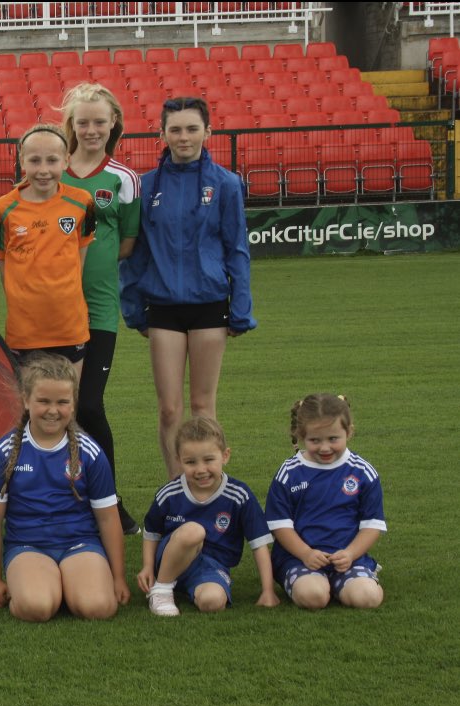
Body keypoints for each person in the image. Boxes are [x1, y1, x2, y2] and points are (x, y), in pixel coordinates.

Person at [120, 96, 255, 478]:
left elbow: (237, 249)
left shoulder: (226, 184)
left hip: (209, 304)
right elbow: (134, 254)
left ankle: (210, 487)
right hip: (163, 308)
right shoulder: (145, 187)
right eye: (175, 129)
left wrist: (240, 309)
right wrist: (133, 309)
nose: (184, 137)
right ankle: (175, 487)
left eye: (192, 128)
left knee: (203, 406)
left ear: (208, 132)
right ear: (161, 134)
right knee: (169, 409)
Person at [0, 352, 130, 622]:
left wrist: (118, 578)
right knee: (36, 608)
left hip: (79, 544)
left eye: (62, 402)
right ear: (26, 400)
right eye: (43, 401)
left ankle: (70, 584)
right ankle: (41, 585)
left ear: (73, 405)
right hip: (28, 546)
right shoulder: (4, 452)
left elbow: (108, 519)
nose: (53, 410)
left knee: (99, 608)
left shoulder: (90, 453)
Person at [60, 82, 142, 534]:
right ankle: (63, 500)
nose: (91, 129)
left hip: (99, 309)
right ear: (71, 125)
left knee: (89, 406)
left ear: (114, 124)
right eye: (82, 122)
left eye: (99, 121)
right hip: (52, 309)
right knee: (56, 407)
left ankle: (109, 503)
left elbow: (127, 243)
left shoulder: (124, 179)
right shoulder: (54, 168)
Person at [138, 417, 279, 617]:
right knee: (194, 531)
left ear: (225, 456)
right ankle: (161, 590)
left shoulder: (239, 495)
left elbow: (259, 544)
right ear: (179, 460)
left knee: (213, 602)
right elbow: (151, 532)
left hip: (211, 566)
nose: (201, 469)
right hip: (171, 558)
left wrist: (268, 591)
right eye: (190, 462)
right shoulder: (169, 493)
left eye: (209, 460)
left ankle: (184, 587)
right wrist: (147, 567)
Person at [0, 124, 95, 369]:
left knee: (68, 405)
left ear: (66, 161)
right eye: (35, 161)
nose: (43, 170)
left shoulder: (82, 203)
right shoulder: (2, 209)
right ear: (22, 160)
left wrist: (67, 301)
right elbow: (4, 269)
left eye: (52, 160)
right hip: (24, 331)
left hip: (70, 326)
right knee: (29, 406)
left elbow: (79, 261)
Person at [266, 394, 385, 610]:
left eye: (333, 439)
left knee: (367, 598)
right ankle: (317, 583)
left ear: (349, 432)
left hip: (349, 558)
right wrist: (306, 553)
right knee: (313, 597)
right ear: (302, 436)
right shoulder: (289, 473)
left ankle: (351, 581)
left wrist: (350, 554)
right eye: (315, 440)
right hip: (300, 559)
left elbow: (372, 525)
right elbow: (280, 526)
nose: (324, 448)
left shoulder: (362, 472)